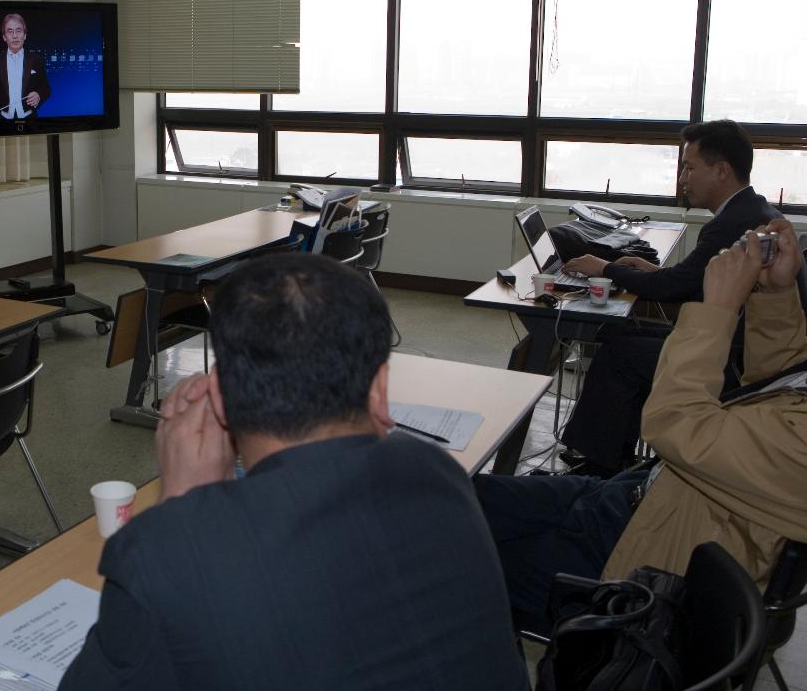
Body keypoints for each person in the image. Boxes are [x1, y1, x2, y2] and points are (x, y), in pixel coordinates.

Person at [60, 254, 528, 690]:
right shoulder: (440, 473)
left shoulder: (165, 553)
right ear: (380, 392)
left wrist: (185, 504)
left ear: (219, 397)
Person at [476, 219, 807, 630]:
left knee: (458, 549)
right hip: (640, 497)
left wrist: (717, 311)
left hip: (644, 561)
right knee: (462, 493)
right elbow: (782, 381)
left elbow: (673, 424)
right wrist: (776, 294)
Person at [557, 119, 800, 475]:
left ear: (721, 171)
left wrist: (604, 267)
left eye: (688, 167)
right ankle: (610, 452)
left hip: (742, 363)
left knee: (620, 355)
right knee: (619, 334)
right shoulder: (754, 211)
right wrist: (648, 270)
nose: (682, 179)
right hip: (748, 347)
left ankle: (600, 468)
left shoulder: (733, 224)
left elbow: (672, 289)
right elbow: (689, 280)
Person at [0, 13, 50, 121]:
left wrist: (38, 95)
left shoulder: (36, 60)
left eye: (19, 31)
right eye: (10, 31)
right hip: (2, 124)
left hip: (31, 122)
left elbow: (46, 88)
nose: (15, 36)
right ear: (4, 37)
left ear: (25, 35)